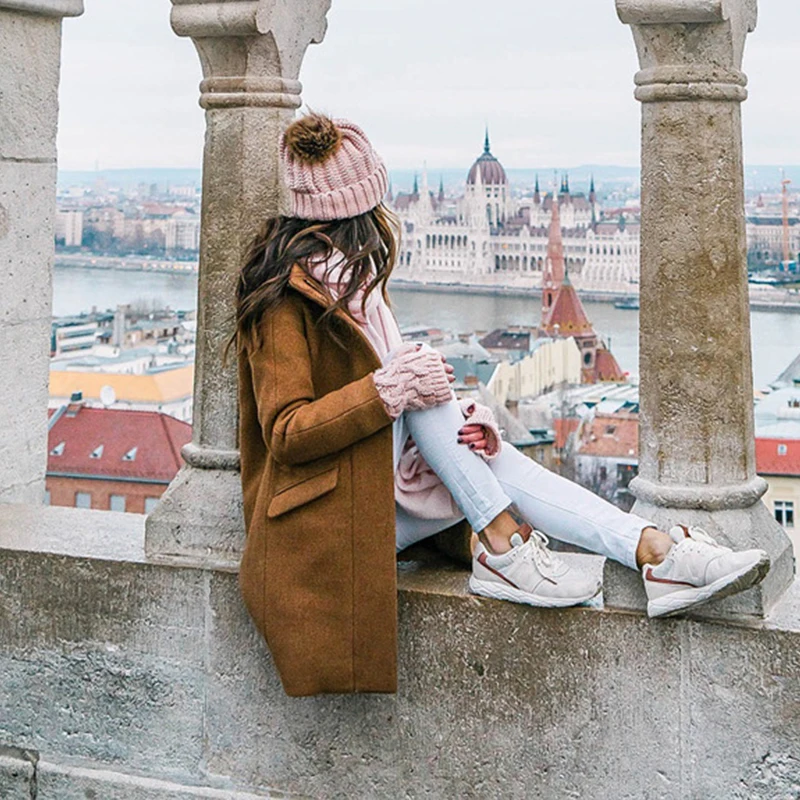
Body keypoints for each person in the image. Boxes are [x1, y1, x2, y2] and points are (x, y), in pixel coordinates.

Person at [230, 113, 770, 697]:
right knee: (421, 379)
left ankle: (648, 549)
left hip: (372, 498)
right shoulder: (282, 301)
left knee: (468, 432)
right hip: (322, 524)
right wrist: (391, 390)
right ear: (352, 213)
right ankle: (514, 545)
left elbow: (396, 403)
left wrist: (461, 416)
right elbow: (286, 432)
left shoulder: (354, 289)